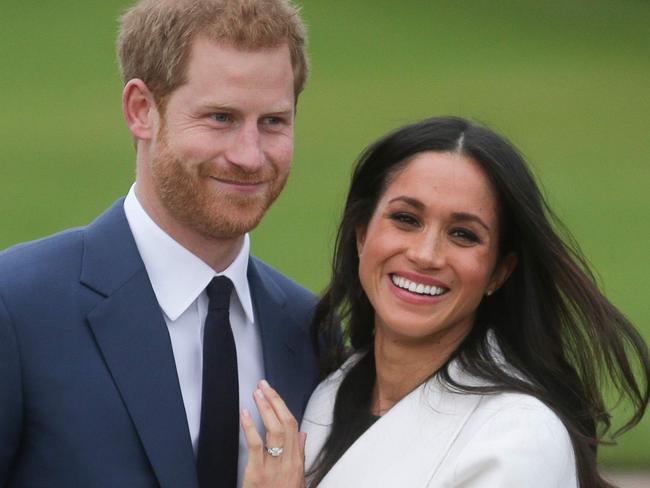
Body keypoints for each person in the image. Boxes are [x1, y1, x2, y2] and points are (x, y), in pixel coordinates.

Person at [0, 1, 320, 487]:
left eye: (273, 121)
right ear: (141, 110)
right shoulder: (17, 306)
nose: (250, 156)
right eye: (220, 117)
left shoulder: (311, 331)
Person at [240, 116, 649, 487]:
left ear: (499, 272)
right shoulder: (331, 389)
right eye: (406, 219)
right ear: (362, 234)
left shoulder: (518, 438)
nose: (426, 254)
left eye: (463, 234)